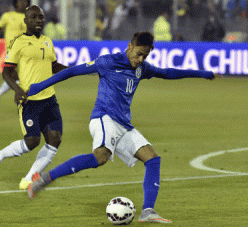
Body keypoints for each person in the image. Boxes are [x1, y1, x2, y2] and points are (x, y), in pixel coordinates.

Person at [25, 31, 222, 223]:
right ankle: (45, 178)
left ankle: (148, 212)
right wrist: (39, 87)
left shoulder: (142, 68)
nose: (141, 59)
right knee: (100, 157)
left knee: (152, 159)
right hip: (104, 118)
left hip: (123, 124)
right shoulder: (108, 62)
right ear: (129, 46)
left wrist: (203, 74)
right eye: (139, 54)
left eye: (145, 55)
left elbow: (168, 73)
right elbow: (72, 71)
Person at [0, 5, 68, 190]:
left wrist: (77, 70)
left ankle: (29, 179)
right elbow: (6, 73)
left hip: (49, 99)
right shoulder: (18, 42)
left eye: (41, 17)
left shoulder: (47, 41)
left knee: (55, 138)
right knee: (32, 141)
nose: (38, 20)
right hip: (29, 101)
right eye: (34, 17)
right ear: (26, 21)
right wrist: (16, 89)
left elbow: (54, 67)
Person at [0, 0, 30, 110]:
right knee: (17, 77)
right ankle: (22, 101)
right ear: (16, 3)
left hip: (25, 51)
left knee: (18, 78)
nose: (24, 3)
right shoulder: (7, 16)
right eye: (21, 1)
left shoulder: (29, 17)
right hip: (12, 52)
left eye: (26, 2)